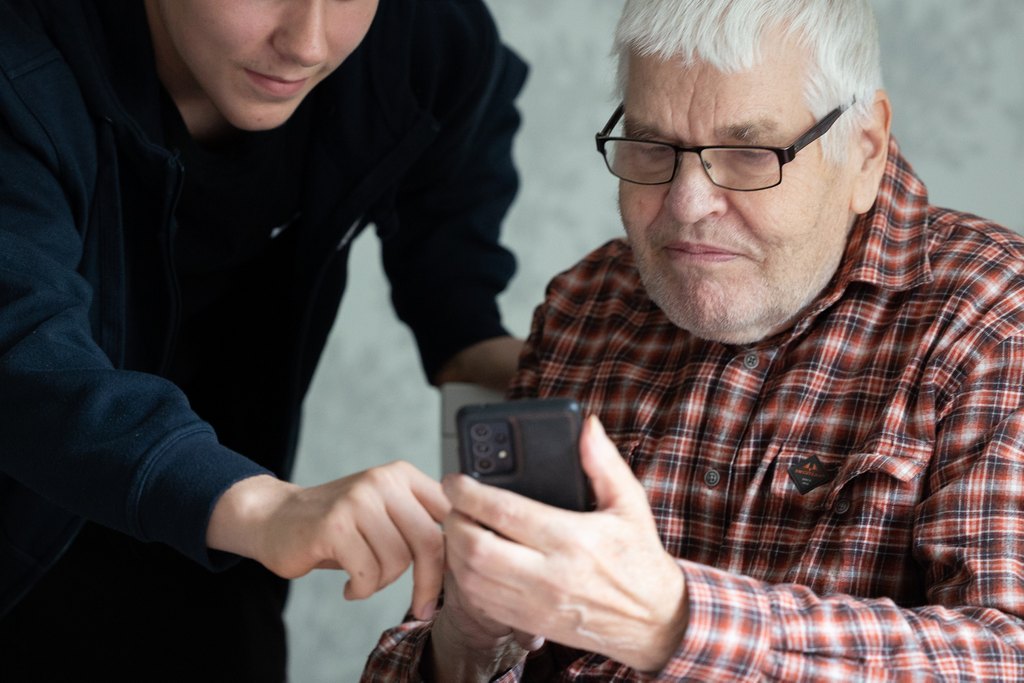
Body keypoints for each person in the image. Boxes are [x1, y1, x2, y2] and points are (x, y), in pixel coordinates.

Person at [361, 0, 1024, 680]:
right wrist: (468, 644)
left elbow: (1007, 654)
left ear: (865, 150)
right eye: (653, 147)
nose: (686, 204)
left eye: (747, 153)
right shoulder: (586, 304)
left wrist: (671, 622)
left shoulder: (994, 317)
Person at [0, 0, 527, 679]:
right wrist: (267, 507)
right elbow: (23, 358)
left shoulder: (422, 39)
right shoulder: (18, 58)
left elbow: (454, 287)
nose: (307, 44)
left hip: (221, 559)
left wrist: (523, 362)